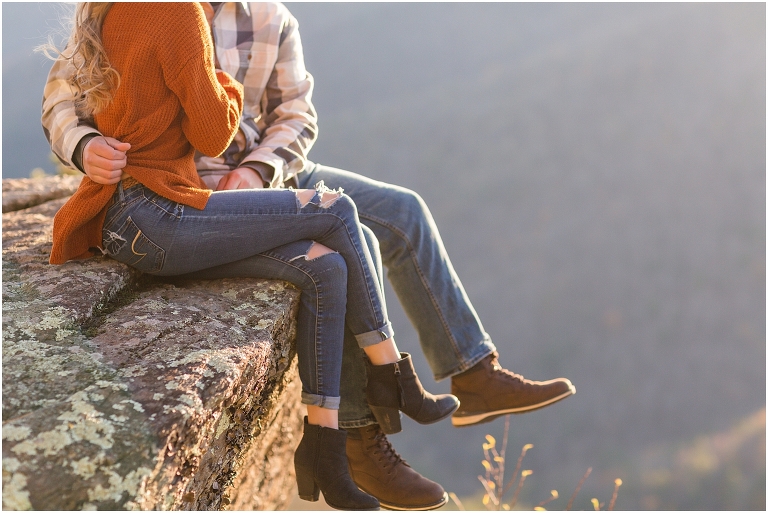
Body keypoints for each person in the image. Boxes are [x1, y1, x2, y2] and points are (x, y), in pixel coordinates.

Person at [42, 2, 575, 510]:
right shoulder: (145, 10)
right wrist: (85, 146)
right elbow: (62, 99)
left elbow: (296, 115)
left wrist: (257, 169)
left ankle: (473, 373)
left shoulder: (271, 18)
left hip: (273, 175)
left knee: (404, 209)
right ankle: (359, 440)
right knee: (352, 242)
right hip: (190, 189)